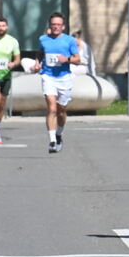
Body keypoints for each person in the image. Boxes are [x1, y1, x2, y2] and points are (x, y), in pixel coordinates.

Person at [30, 12, 81, 153]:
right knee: (51, 108)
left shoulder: (69, 40)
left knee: (61, 111)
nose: (56, 27)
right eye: (53, 24)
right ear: (50, 26)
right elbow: (40, 53)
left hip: (64, 78)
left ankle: (59, 134)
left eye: (58, 25)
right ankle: (52, 141)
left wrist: (67, 60)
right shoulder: (43, 39)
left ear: (63, 27)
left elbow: (78, 59)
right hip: (48, 76)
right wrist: (37, 63)